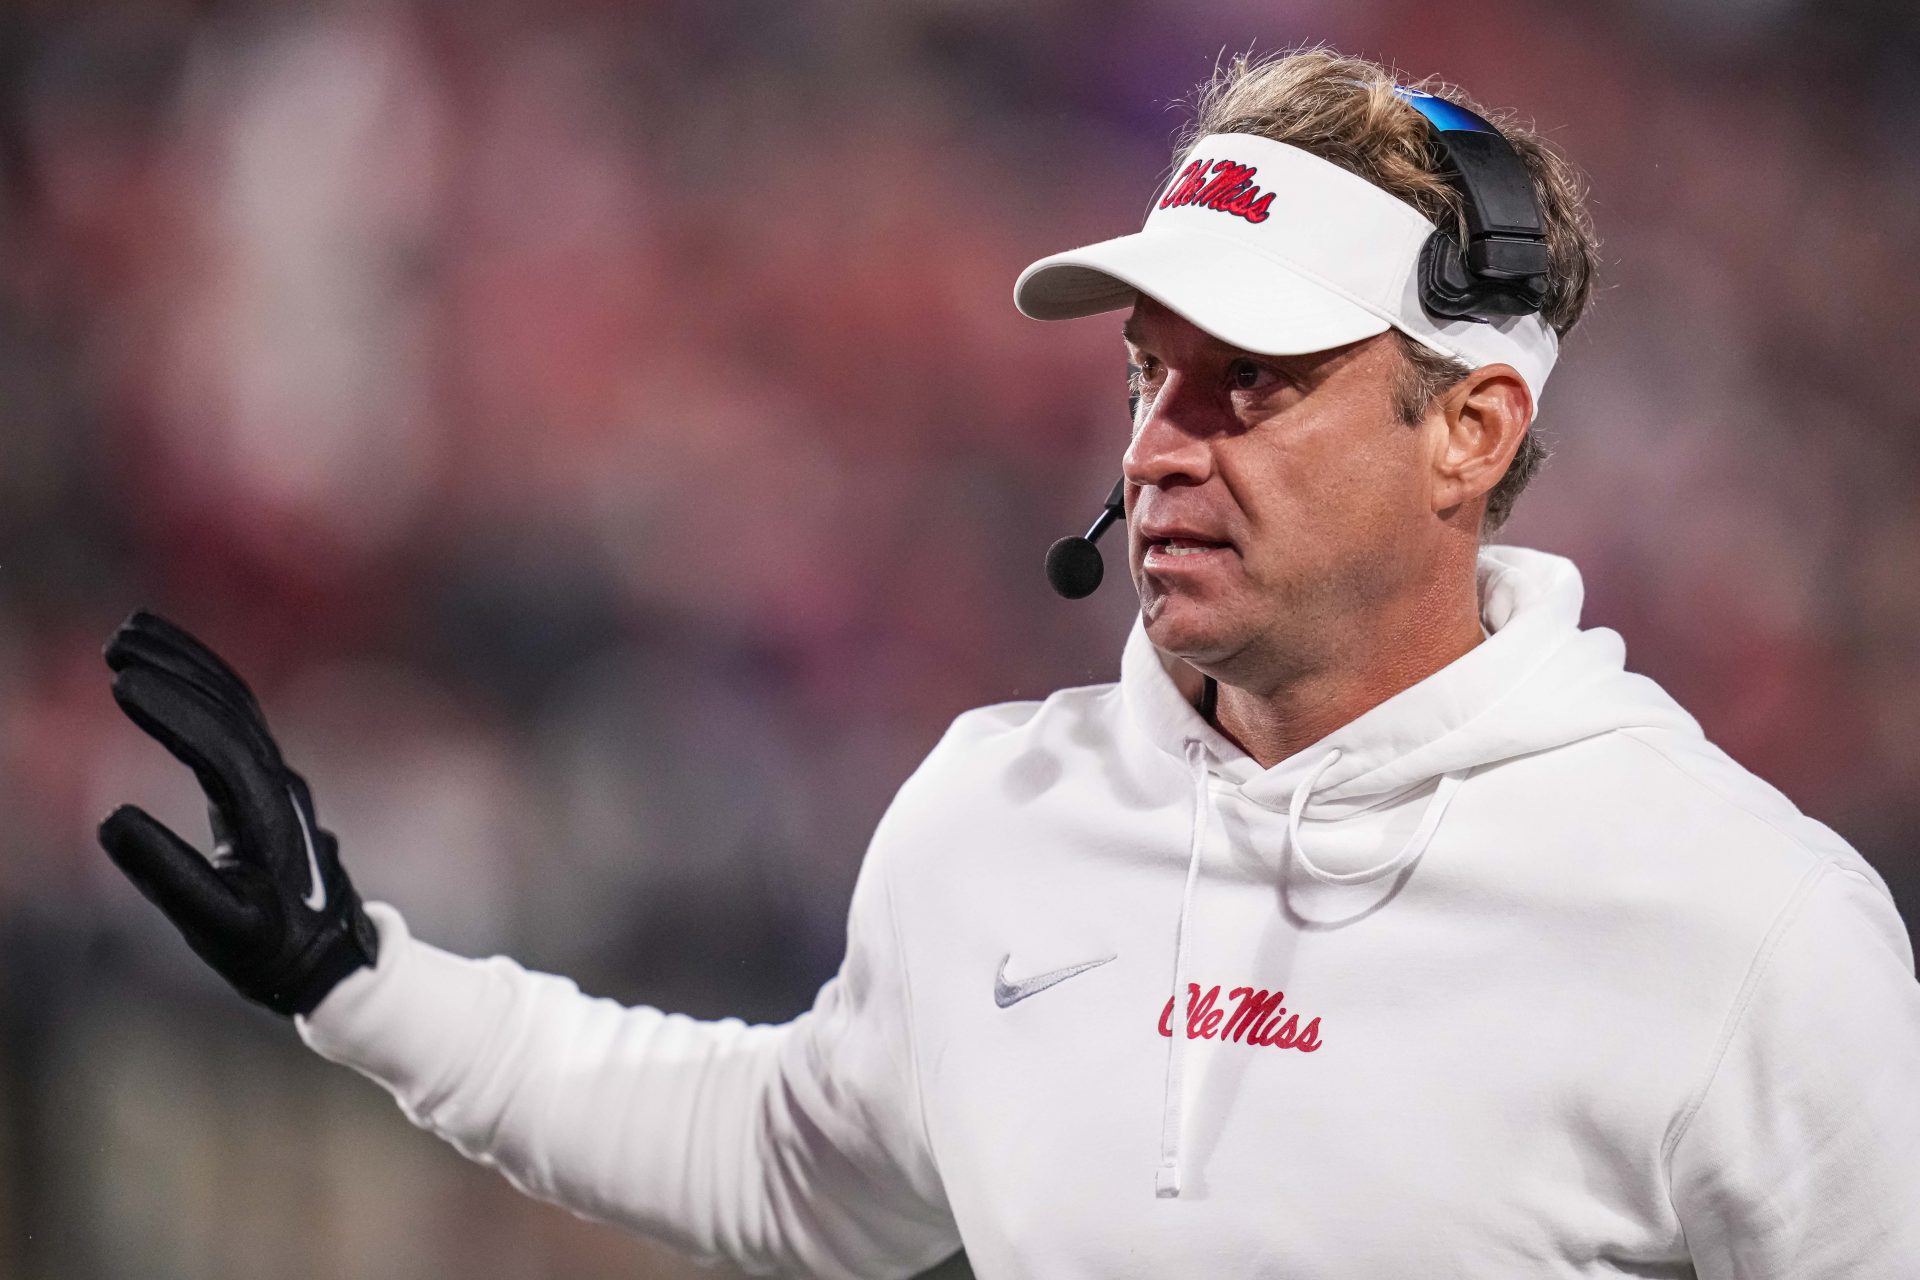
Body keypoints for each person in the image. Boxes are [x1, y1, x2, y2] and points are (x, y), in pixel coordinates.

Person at [96, 48, 1920, 1280]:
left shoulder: (1749, 935)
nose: (1158, 447)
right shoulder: (999, 812)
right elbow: (789, 1161)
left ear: (1471, 430)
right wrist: (356, 976)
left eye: (1254, 383)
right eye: (1148, 372)